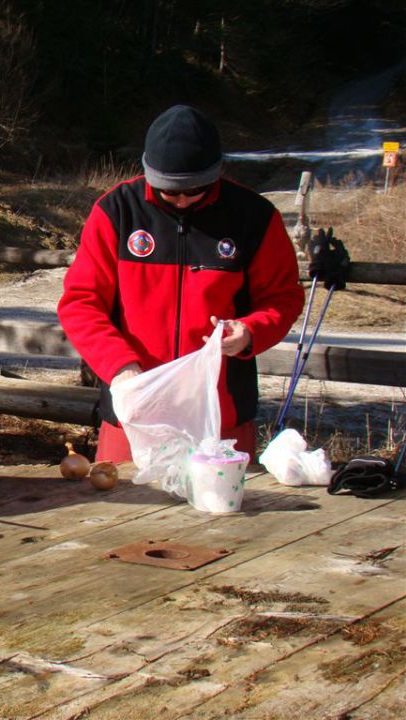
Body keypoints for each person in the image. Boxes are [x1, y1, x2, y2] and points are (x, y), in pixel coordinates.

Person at [58, 104, 305, 463]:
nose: (182, 199)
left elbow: (282, 296)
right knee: (122, 518)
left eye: (195, 190)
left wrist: (250, 331)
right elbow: (80, 303)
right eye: (169, 191)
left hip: (221, 419)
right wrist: (119, 367)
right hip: (133, 416)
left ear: (216, 173)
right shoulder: (116, 211)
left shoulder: (254, 217)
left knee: (228, 518)